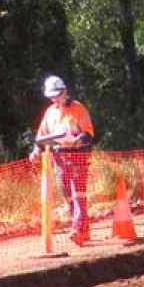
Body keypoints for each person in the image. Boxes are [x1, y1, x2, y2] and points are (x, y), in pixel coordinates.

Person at [33, 74, 96, 244]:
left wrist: (77, 141)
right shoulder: (50, 113)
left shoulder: (78, 108)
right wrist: (36, 150)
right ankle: (84, 230)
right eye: (52, 96)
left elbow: (88, 133)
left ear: (65, 91)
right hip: (59, 157)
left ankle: (77, 228)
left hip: (77, 156)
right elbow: (42, 136)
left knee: (78, 194)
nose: (55, 99)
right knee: (68, 195)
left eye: (57, 95)